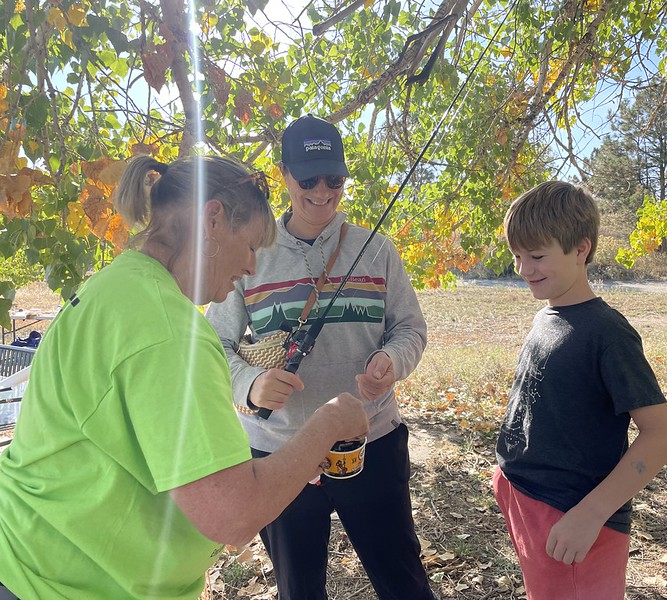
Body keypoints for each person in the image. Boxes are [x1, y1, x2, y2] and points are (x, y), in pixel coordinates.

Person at [0, 154, 368, 600]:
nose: (252, 266)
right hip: (69, 584)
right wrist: (328, 424)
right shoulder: (167, 328)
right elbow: (232, 515)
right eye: (251, 244)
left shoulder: (114, 285)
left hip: (26, 557)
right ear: (212, 219)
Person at [206, 114, 436, 600]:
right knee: (300, 590)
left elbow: (410, 328)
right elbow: (213, 348)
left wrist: (392, 362)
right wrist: (249, 384)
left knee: (404, 583)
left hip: (372, 443)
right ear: (284, 175)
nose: (322, 191)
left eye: (334, 178)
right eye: (308, 179)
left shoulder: (378, 250)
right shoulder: (249, 253)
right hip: (279, 455)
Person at [493, 181, 667, 600]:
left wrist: (591, 514)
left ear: (580, 249)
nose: (524, 269)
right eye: (516, 256)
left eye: (537, 256)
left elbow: (661, 433)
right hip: (527, 499)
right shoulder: (548, 314)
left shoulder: (607, 333)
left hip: (573, 518)